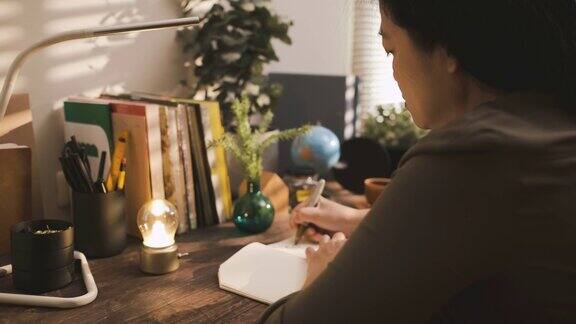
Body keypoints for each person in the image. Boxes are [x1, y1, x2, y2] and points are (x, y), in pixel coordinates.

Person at [259, 0, 576, 323]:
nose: (393, 71)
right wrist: (360, 220)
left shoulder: (471, 153)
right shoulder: (547, 130)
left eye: (391, 50)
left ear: (447, 48)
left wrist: (319, 276)